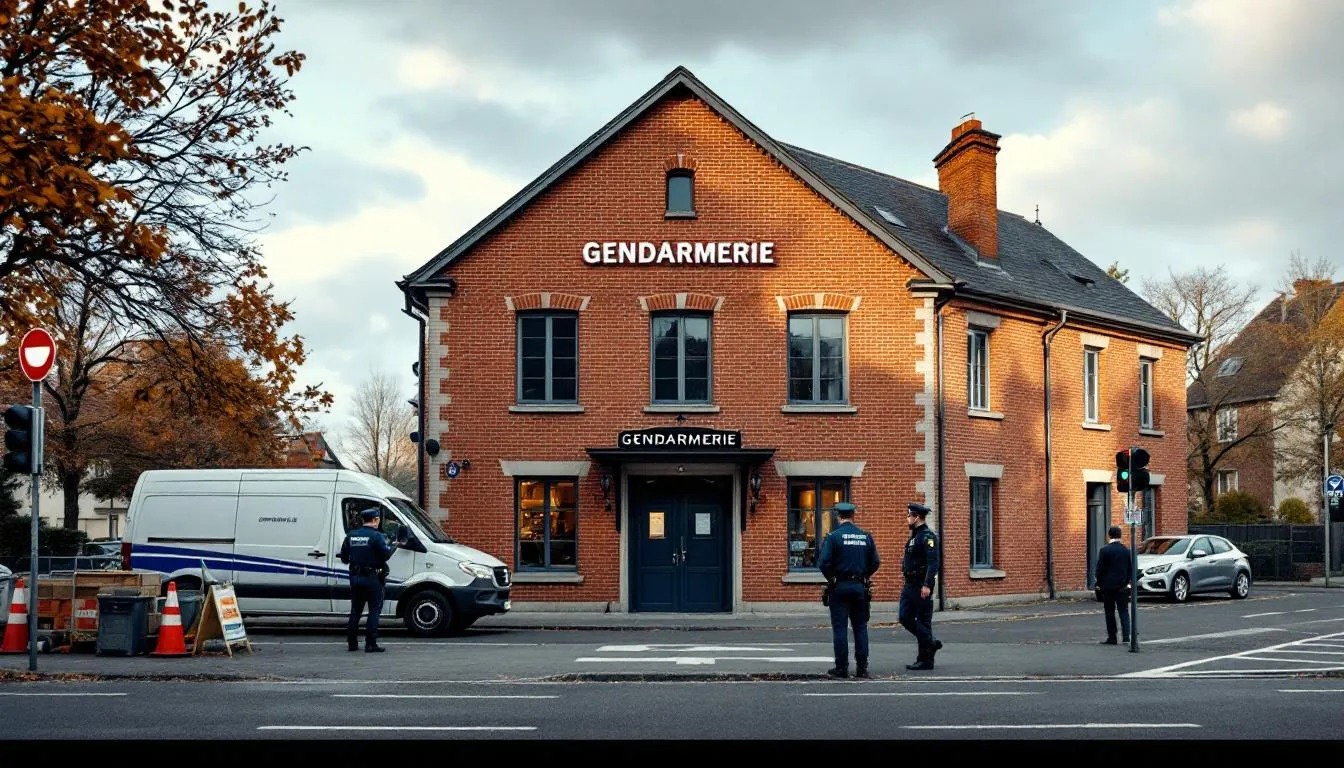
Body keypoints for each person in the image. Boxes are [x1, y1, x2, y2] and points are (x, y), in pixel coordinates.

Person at [818, 501, 881, 679]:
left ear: (838, 517)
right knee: (860, 627)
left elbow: (823, 563)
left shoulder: (833, 537)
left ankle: (842, 667)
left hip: (839, 587)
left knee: (840, 628)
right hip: (859, 587)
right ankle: (862, 667)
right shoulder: (865, 536)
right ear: (853, 516)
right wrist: (864, 576)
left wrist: (832, 578)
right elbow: (875, 562)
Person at [339, 506, 399, 652]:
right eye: (377, 519)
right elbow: (385, 554)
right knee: (374, 611)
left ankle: (352, 644)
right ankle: (370, 644)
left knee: (356, 611)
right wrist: (395, 546)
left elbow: (344, 558)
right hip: (373, 578)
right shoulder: (376, 536)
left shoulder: (351, 535)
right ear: (375, 520)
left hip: (355, 578)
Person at [899, 502, 942, 670]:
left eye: (909, 515)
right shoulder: (915, 536)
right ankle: (930, 643)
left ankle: (925, 660)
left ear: (916, 517)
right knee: (904, 617)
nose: (907, 518)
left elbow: (933, 563)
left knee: (923, 622)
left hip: (920, 585)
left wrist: (927, 585)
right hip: (909, 584)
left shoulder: (927, 537)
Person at [1095, 525, 1132, 645]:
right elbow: (1130, 569)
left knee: (1109, 612)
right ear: (1120, 535)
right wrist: (1126, 582)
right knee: (1124, 611)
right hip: (1122, 586)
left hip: (1108, 586)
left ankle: (1112, 637)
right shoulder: (1126, 550)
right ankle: (1126, 637)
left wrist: (1100, 583)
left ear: (1109, 535)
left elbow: (1099, 570)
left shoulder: (1104, 550)